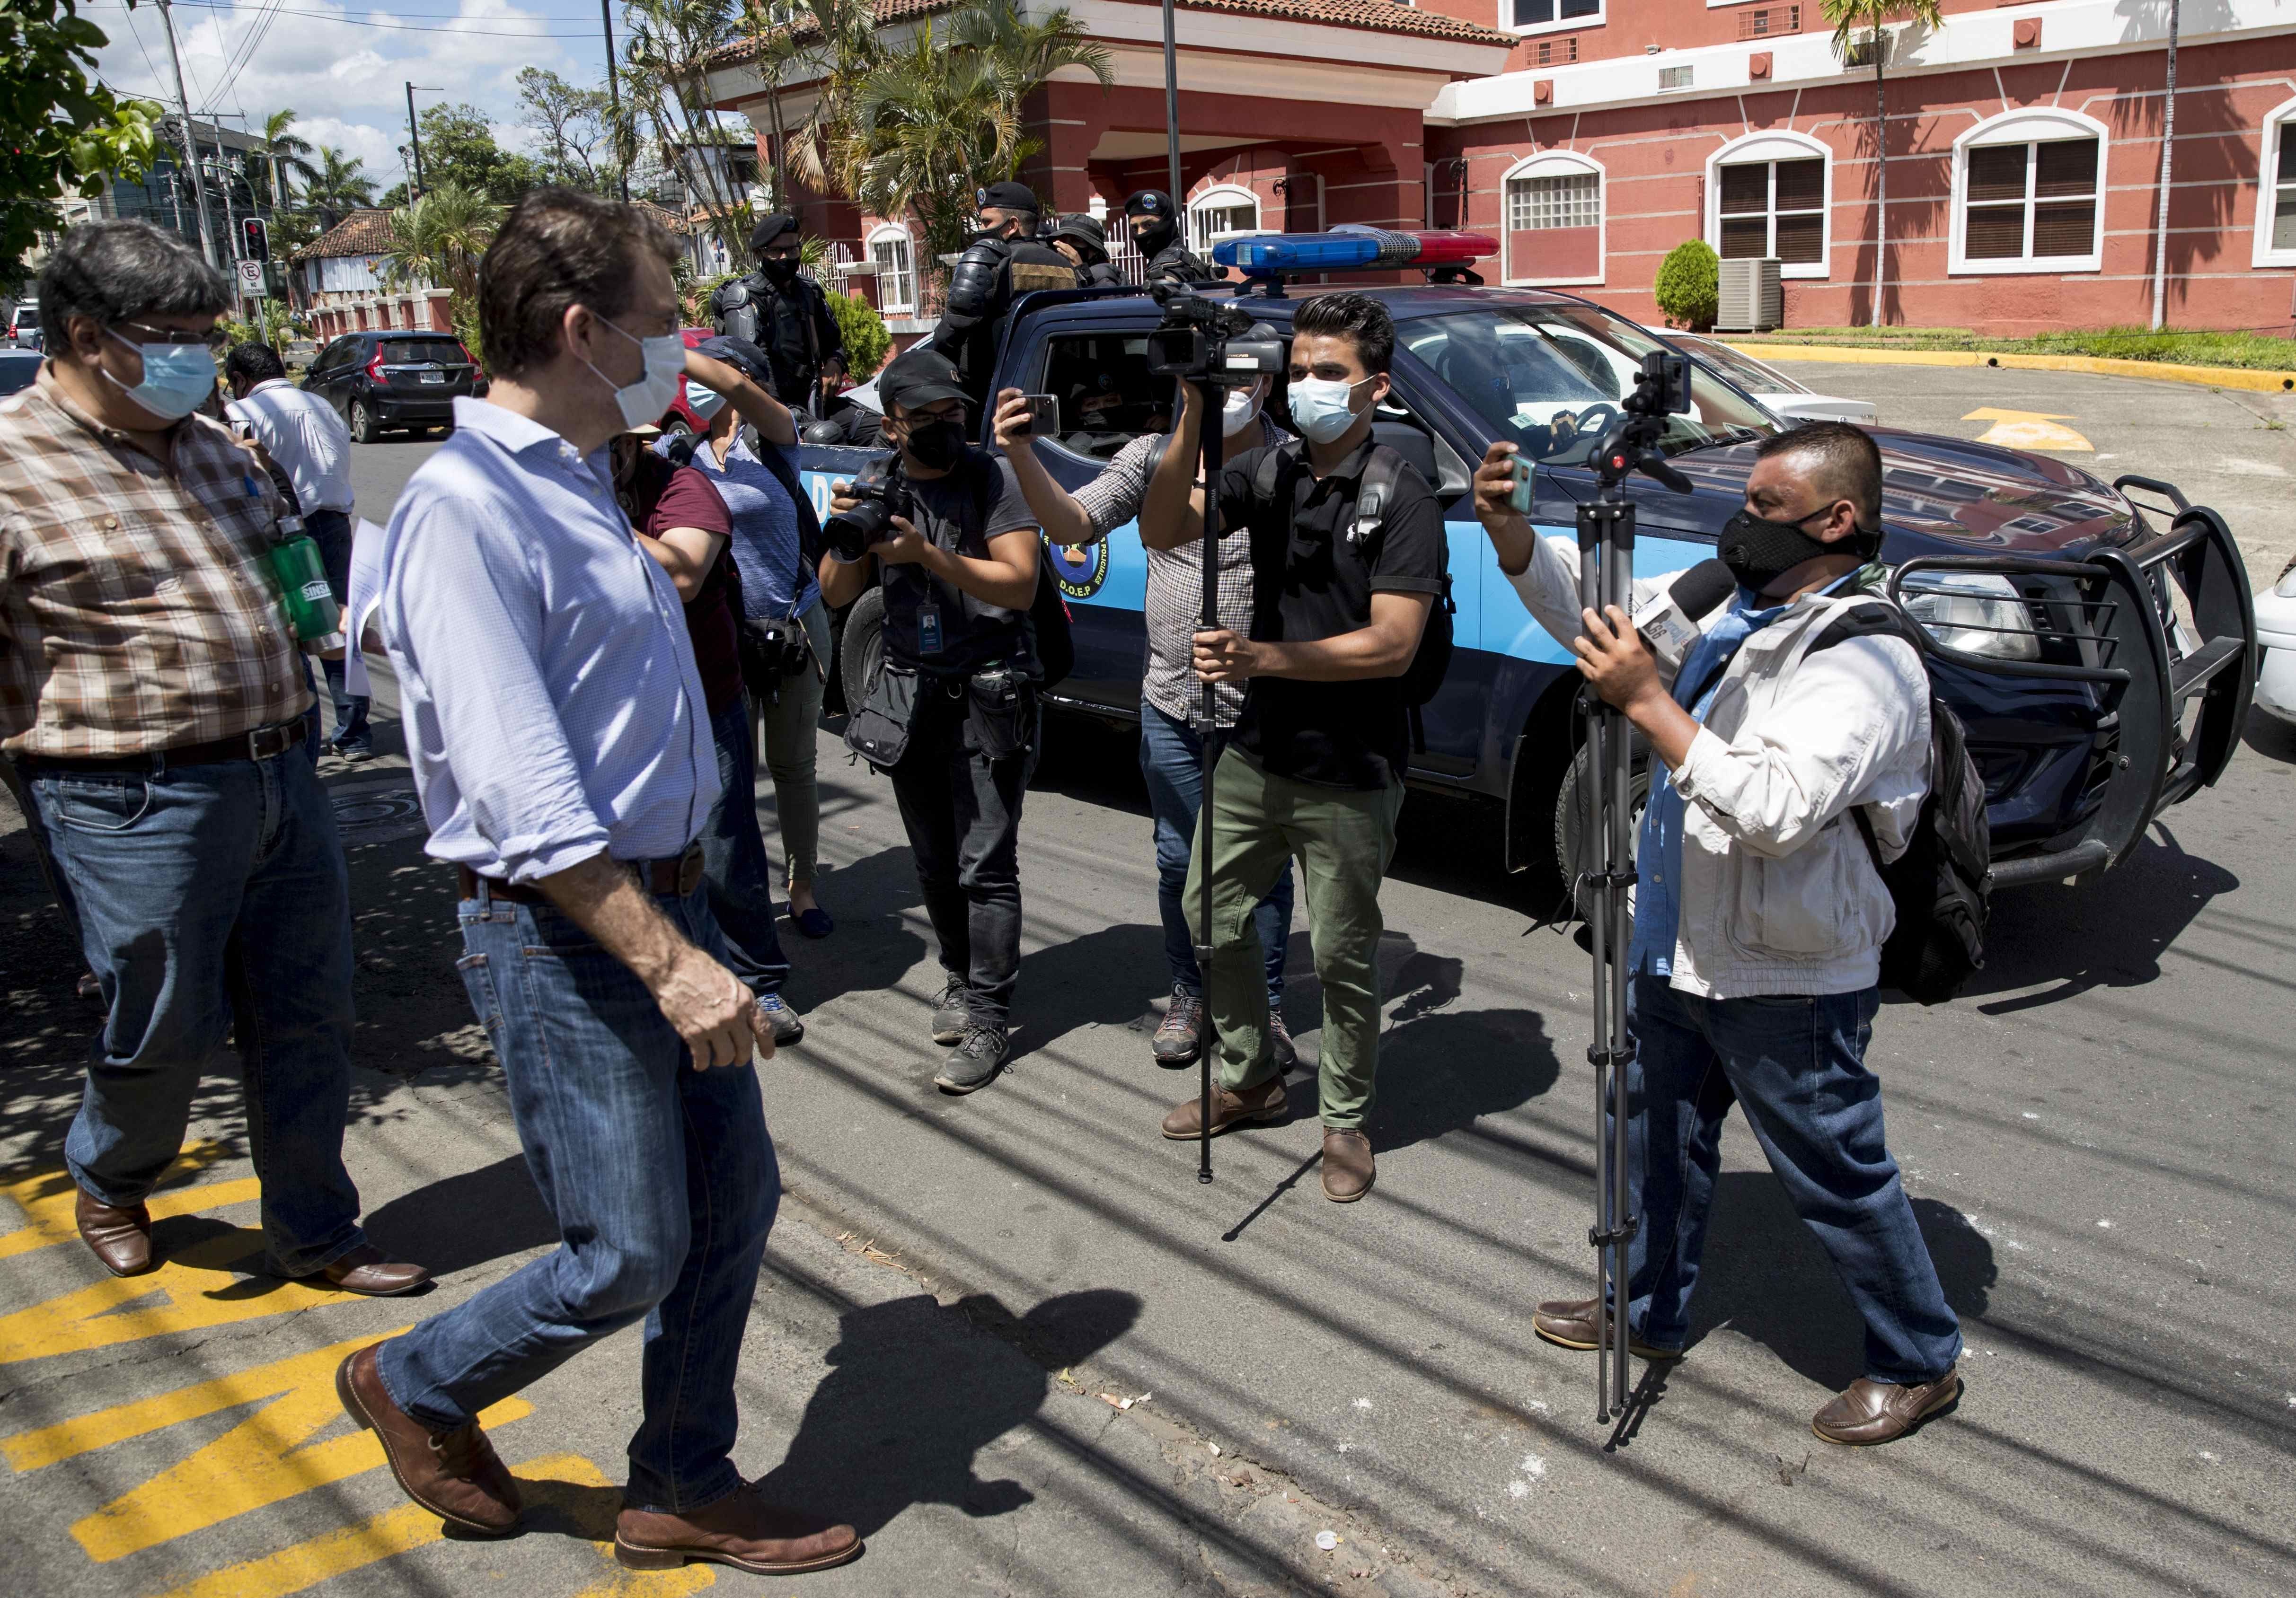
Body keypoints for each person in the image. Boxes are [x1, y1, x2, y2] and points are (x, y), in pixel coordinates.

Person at [350, 189, 860, 1575]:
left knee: (729, 1205)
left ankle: (681, 1481)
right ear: (581, 331)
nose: (679, 346)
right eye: (657, 320)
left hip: (663, 901)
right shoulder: (462, 509)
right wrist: (672, 958)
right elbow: (521, 793)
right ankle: (418, 1380)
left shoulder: (584, 478)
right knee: (626, 1249)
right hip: (571, 932)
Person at [1471, 420, 1963, 1447]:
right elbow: (1599, 632)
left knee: (1832, 1170)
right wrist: (1514, 537)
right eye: (1743, 504)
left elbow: (1778, 808)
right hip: (1680, 941)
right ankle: (1645, 1310)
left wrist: (1647, 704)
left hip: (1787, 967)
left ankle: (1916, 1359)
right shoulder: (1729, 605)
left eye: (1766, 510)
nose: (1741, 526)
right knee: (1653, 1138)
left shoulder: (1866, 660)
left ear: (1837, 520)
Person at [0, 220, 426, 1294]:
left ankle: (318, 1231)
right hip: (130, 797)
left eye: (208, 332)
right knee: (165, 1026)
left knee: (311, 1010)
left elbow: (297, 570)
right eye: (175, 334)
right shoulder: (11, 464)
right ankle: (110, 1168)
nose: (200, 353)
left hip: (284, 771)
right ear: (89, 336)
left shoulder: (214, 441)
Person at [1136, 293, 1440, 1203]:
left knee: (1344, 955)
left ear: (1373, 387)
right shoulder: (1268, 472)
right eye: (1298, 368)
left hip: (1350, 768)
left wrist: (1261, 656)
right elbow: (1160, 526)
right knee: (1208, 915)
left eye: (1328, 372)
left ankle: (1343, 1119)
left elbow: (1392, 644)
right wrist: (1194, 408)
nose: (1307, 385)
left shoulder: (1402, 490)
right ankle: (1253, 1073)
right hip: (1256, 752)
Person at [991, 360, 1299, 1073]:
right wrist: (1021, 454)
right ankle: (1189, 994)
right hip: (1171, 703)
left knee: (1263, 868)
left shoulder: (1291, 464)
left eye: (1241, 376)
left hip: (1260, 711)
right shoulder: (1156, 454)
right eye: (1210, 379)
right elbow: (1074, 519)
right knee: (1176, 858)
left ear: (1267, 385)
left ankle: (1266, 1005)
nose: (1227, 390)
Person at [822, 346, 1042, 1095]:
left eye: (955, 411)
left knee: (986, 863)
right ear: (893, 426)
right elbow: (832, 591)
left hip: (990, 693)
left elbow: (1018, 584)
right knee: (933, 863)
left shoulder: (991, 480)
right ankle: (958, 976)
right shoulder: (877, 480)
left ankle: (988, 1015)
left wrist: (926, 555)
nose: (947, 426)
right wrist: (851, 530)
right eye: (928, 416)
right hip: (908, 695)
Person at [608, 375, 806, 1046]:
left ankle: (760, 979)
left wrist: (593, 515)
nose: (601, 458)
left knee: (723, 841)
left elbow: (684, 575)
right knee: (633, 849)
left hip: (702, 694)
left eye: (616, 445)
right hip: (617, 701)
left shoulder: (683, 489)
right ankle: (664, 975)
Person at [680, 334, 835, 940]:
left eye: (713, 371)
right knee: (729, 777)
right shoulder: (683, 452)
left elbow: (746, 394)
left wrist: (675, 351)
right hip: (728, 637)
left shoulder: (775, 440)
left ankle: (802, 890)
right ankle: (739, 896)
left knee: (794, 766)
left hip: (795, 625)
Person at [224, 340, 367, 760]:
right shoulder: (322, 405)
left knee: (293, 630)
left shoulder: (243, 415)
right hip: (335, 523)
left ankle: (305, 740)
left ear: (239, 380)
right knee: (338, 626)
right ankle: (356, 734)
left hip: (286, 534)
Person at [928, 181, 1076, 404]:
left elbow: (947, 338)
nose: (981, 229)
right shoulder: (1065, 265)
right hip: (1055, 389)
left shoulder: (988, 262)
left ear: (1012, 225)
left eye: (987, 222)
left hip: (993, 394)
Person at [707, 212, 846, 415]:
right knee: (824, 437)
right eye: (775, 251)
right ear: (758, 254)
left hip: (815, 400)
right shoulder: (748, 297)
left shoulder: (810, 291)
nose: (785, 257)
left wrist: (835, 362)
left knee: (871, 426)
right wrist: (780, 417)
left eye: (791, 249)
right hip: (770, 409)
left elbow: (833, 341)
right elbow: (753, 369)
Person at [1123, 190, 1220, 285]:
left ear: (1167, 224)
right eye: (1135, 228)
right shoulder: (1188, 260)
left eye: (1148, 225)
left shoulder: (1166, 271)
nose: (1140, 233)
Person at [1050, 214, 1125, 289]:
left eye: (1076, 240)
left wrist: (1082, 272)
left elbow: (1100, 299)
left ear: (1095, 250)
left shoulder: (1104, 276)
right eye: (1062, 240)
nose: (1067, 247)